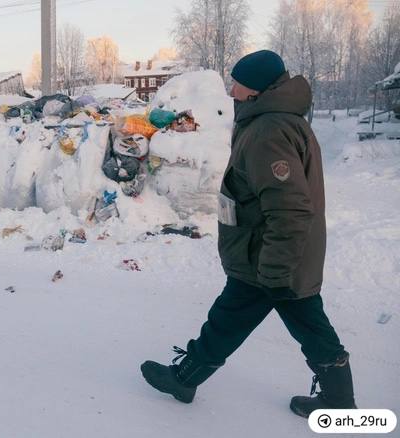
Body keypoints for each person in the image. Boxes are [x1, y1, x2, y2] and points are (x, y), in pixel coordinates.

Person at [140, 50, 356, 418]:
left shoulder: (268, 132)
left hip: (269, 258)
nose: (232, 87)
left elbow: (288, 208)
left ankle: (185, 378)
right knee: (269, 320)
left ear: (254, 89)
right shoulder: (276, 121)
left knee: (244, 316)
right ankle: (337, 398)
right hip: (274, 254)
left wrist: (274, 271)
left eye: (237, 81)